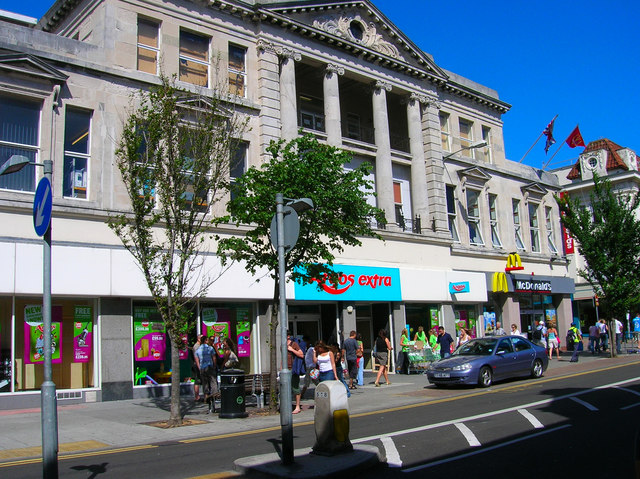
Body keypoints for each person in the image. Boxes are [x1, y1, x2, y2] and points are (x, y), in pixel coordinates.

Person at [195, 336, 218, 413]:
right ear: (205, 341)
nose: (208, 341)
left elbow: (197, 360)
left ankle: (206, 396)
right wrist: (214, 365)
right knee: (213, 381)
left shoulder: (198, 350)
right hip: (209, 366)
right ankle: (214, 395)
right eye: (207, 340)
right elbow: (214, 357)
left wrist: (200, 368)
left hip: (202, 368)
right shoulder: (210, 348)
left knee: (205, 383)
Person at [286, 331, 305, 414]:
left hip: (293, 369)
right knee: (286, 388)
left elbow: (301, 355)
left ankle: (297, 406)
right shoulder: (282, 345)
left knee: (295, 387)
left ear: (288, 336)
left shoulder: (294, 344)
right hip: (285, 369)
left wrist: (292, 350)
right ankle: (288, 406)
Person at [190, 334, 204, 401]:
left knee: (199, 380)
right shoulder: (196, 346)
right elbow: (196, 357)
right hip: (198, 365)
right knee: (197, 380)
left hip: (200, 364)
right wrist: (199, 366)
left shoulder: (200, 346)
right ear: (198, 339)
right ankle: (197, 396)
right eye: (202, 338)